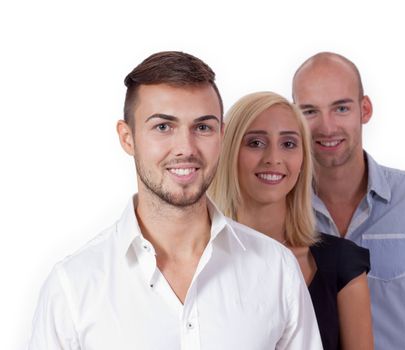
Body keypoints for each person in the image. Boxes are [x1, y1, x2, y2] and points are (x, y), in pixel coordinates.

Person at [29, 51, 322, 350]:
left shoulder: (277, 271)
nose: (186, 147)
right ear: (127, 138)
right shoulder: (73, 287)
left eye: (202, 127)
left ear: (221, 136)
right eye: (163, 127)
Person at [292, 52, 405, 349]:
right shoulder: (279, 210)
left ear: (365, 109)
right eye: (310, 111)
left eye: (341, 108)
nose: (327, 127)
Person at [209, 91, 373, 350]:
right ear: (228, 151)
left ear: (303, 159)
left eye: (288, 144)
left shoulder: (342, 265)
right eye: (255, 143)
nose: (274, 158)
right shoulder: (197, 261)